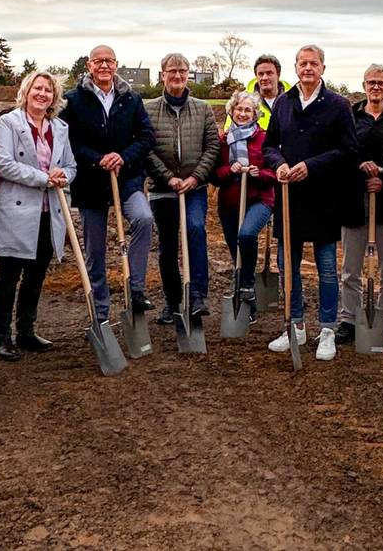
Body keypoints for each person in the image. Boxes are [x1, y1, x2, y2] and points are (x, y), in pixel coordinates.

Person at [263, 45, 357, 361]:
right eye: (302, 63)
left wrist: (311, 166)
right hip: (289, 198)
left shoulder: (338, 105)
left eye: (313, 63)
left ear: (323, 69)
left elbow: (348, 151)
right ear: (295, 67)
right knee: (287, 266)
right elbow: (269, 146)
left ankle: (328, 329)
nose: (307, 68)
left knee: (327, 268)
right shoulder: (283, 103)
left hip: (324, 199)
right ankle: (296, 325)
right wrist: (278, 164)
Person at [61, 45, 156, 322]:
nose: (104, 66)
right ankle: (100, 312)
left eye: (109, 61)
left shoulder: (131, 99)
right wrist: (97, 158)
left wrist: (122, 157)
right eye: (98, 61)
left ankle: (135, 289)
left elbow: (146, 136)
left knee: (143, 219)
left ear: (116, 65)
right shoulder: (73, 100)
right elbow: (70, 140)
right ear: (89, 65)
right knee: (95, 250)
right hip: (91, 183)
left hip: (126, 179)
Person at [0, 71, 77, 360]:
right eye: (37, 88)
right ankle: (3, 337)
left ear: (54, 97)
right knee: (9, 274)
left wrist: (64, 175)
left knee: (36, 274)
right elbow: (4, 164)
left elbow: (71, 166)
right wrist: (43, 178)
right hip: (17, 210)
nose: (42, 94)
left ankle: (26, 330)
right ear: (26, 91)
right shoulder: (9, 123)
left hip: (50, 211)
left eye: (48, 91)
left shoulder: (60, 127)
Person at [145, 53, 220, 323]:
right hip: (162, 188)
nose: (177, 76)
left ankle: (198, 296)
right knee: (167, 245)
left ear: (189, 74)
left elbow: (212, 146)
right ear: (162, 74)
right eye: (172, 71)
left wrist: (196, 178)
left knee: (196, 229)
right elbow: (146, 148)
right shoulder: (149, 109)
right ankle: (173, 302)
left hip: (194, 187)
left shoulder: (202, 108)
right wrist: (168, 178)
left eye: (183, 71)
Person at [336, 64, 383, 347]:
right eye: (371, 82)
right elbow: (340, 153)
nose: (376, 87)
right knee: (351, 267)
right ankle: (349, 320)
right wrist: (358, 165)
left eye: (381, 82)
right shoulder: (350, 117)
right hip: (354, 200)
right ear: (363, 85)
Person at [212, 91, 277, 322]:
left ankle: (248, 284)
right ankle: (245, 299)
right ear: (231, 111)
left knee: (247, 235)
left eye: (247, 110)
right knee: (236, 252)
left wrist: (261, 173)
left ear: (256, 114)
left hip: (259, 199)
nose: (242, 113)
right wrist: (229, 170)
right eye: (238, 109)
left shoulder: (265, 138)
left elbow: (275, 171)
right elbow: (214, 175)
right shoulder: (223, 140)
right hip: (230, 203)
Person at [223, 54, 291, 131]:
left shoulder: (294, 100)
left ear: (278, 75)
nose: (264, 78)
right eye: (261, 74)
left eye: (269, 73)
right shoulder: (241, 101)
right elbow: (229, 132)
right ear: (256, 76)